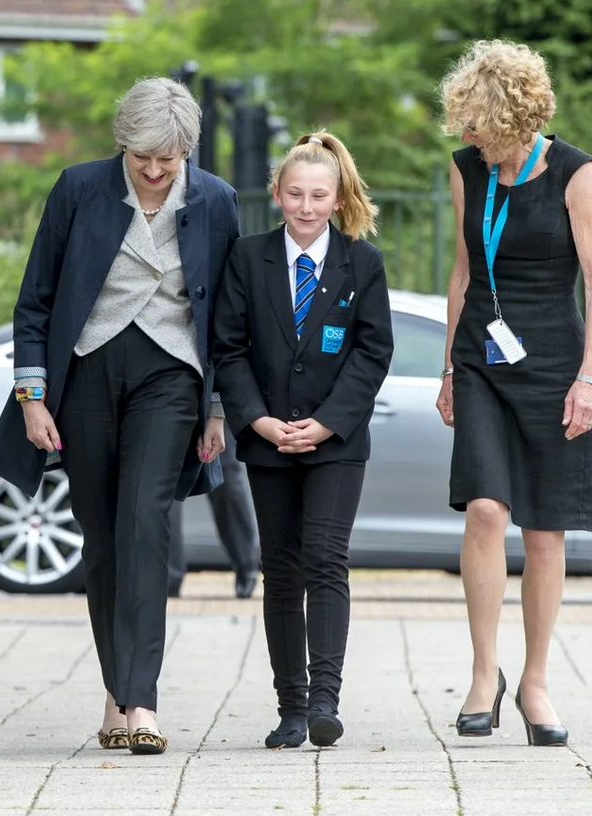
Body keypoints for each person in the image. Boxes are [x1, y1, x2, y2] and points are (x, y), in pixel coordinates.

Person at [0, 77, 240, 756]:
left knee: (145, 525)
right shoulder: (78, 187)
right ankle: (116, 690)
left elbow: (227, 320)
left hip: (171, 376)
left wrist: (217, 407)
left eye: (169, 159)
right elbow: (35, 298)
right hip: (87, 372)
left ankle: (143, 700)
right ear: (121, 145)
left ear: (188, 150)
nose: (155, 172)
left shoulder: (216, 200)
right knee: (100, 536)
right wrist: (33, 397)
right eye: (142, 158)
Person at [436, 40, 592, 747]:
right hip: (482, 356)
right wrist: (450, 368)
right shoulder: (466, 172)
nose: (468, 136)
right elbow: (460, 274)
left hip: (555, 364)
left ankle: (535, 679)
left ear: (512, 117)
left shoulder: (574, 171)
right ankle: (486, 673)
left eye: (477, 123)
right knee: (484, 509)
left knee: (544, 531)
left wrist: (590, 377)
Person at [213, 131, 394, 749]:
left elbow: (373, 353)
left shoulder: (361, 264)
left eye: (319, 195)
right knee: (282, 570)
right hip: (267, 441)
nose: (307, 206)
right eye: (296, 194)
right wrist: (257, 421)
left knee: (325, 557)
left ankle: (324, 700)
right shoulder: (245, 257)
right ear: (276, 195)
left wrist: (329, 421)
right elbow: (228, 349)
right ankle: (290, 707)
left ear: (338, 197)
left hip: (336, 443)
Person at [167, 422, 260, 599]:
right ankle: (169, 576)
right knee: (167, 484)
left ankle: (246, 565)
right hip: (168, 400)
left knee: (225, 477)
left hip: (214, 401)